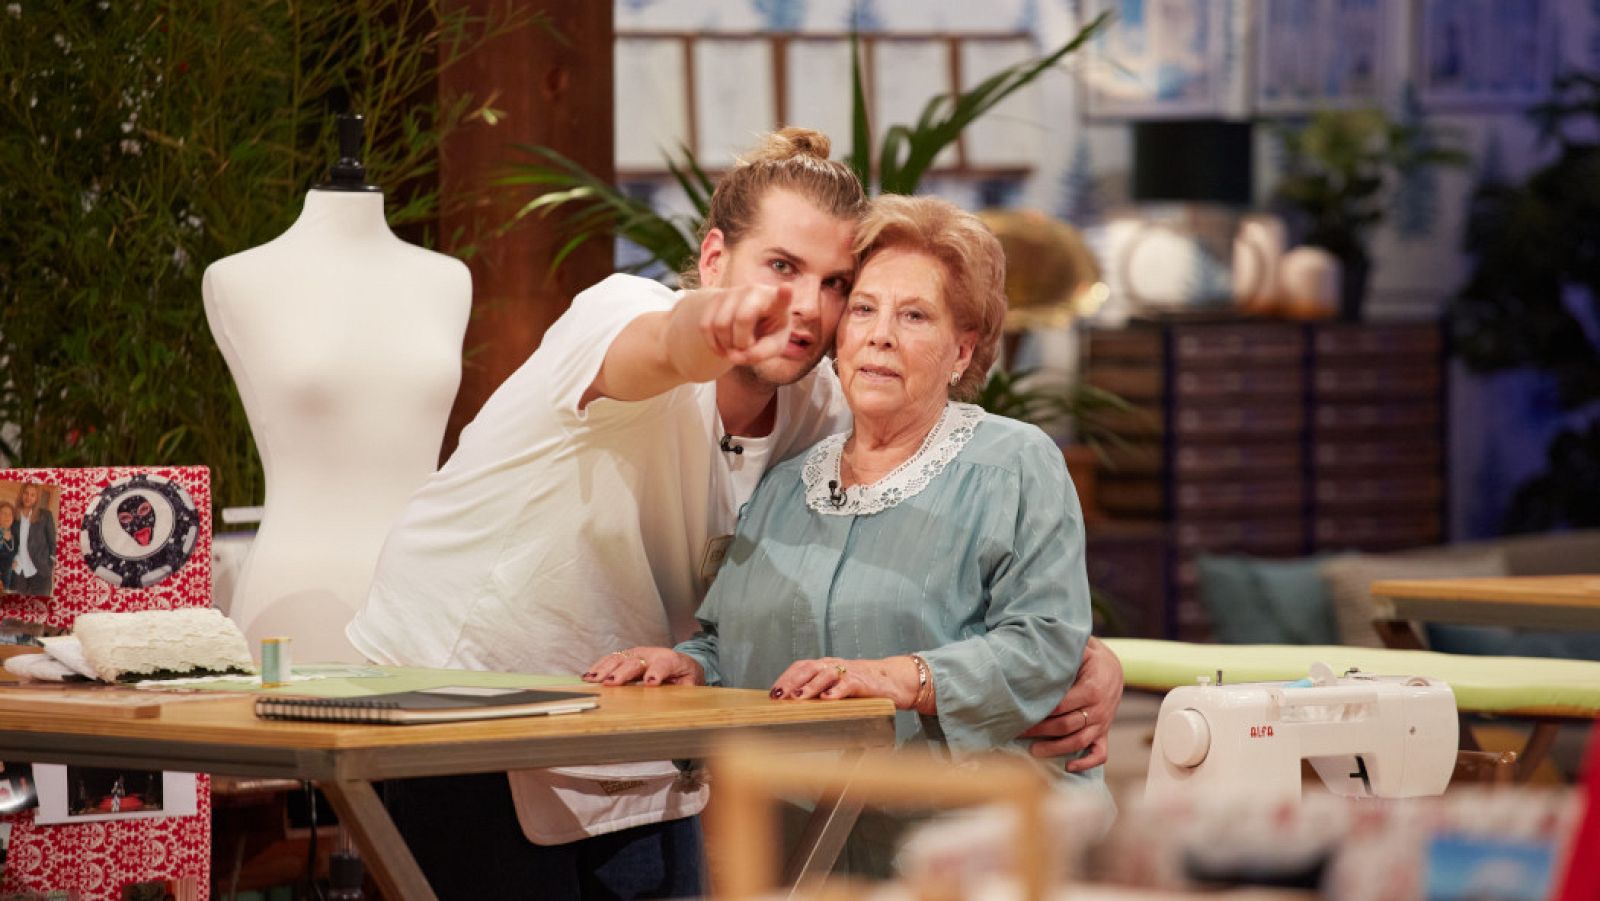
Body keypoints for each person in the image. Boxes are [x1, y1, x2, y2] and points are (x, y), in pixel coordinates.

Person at [347, 128, 1122, 899]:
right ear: (714, 260)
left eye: (834, 285)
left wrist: (1089, 660)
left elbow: (992, 598)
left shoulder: (825, 409)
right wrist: (712, 327)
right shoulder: (621, 308)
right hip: (464, 703)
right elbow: (665, 344)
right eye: (781, 269)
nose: (810, 311)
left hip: (639, 728)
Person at [587, 194, 1102, 872]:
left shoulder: (1013, 463)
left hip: (972, 850)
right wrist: (686, 668)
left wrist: (904, 676)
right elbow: (733, 645)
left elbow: (1044, 641)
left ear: (962, 348)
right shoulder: (784, 484)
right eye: (863, 308)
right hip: (804, 855)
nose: (880, 334)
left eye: (914, 315)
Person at [14, 484, 56, 597]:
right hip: (19, 570)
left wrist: (50, 563)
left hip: (40, 569)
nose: (28, 497)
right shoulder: (14, 516)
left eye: (32, 495)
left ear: (37, 498)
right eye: (26, 493)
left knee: (40, 606)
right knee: (18, 607)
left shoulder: (45, 515)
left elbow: (52, 541)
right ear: (21, 494)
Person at [0, 501, 18, 592]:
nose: (7, 517)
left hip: (12, 581)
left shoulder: (15, 535)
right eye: (4, 513)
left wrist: (15, 560)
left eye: (10, 514)